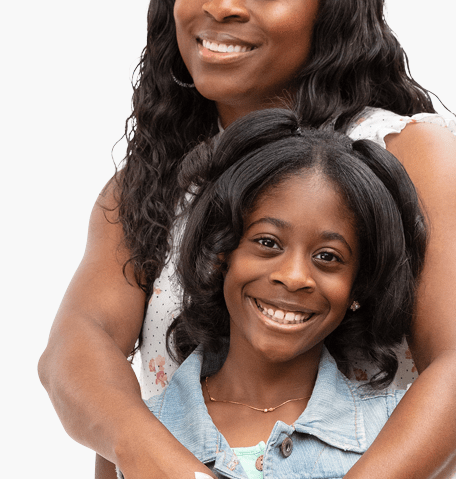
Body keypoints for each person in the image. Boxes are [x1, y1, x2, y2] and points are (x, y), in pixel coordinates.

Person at [38, 0, 456, 479]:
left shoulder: (411, 155)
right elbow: (76, 349)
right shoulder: (151, 182)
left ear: (329, 10)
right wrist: (160, 460)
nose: (222, 5)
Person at [129, 107, 427, 479]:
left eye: (327, 257)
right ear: (222, 254)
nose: (293, 276)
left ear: (359, 286)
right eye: (268, 243)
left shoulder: (399, 437)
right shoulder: (137, 435)